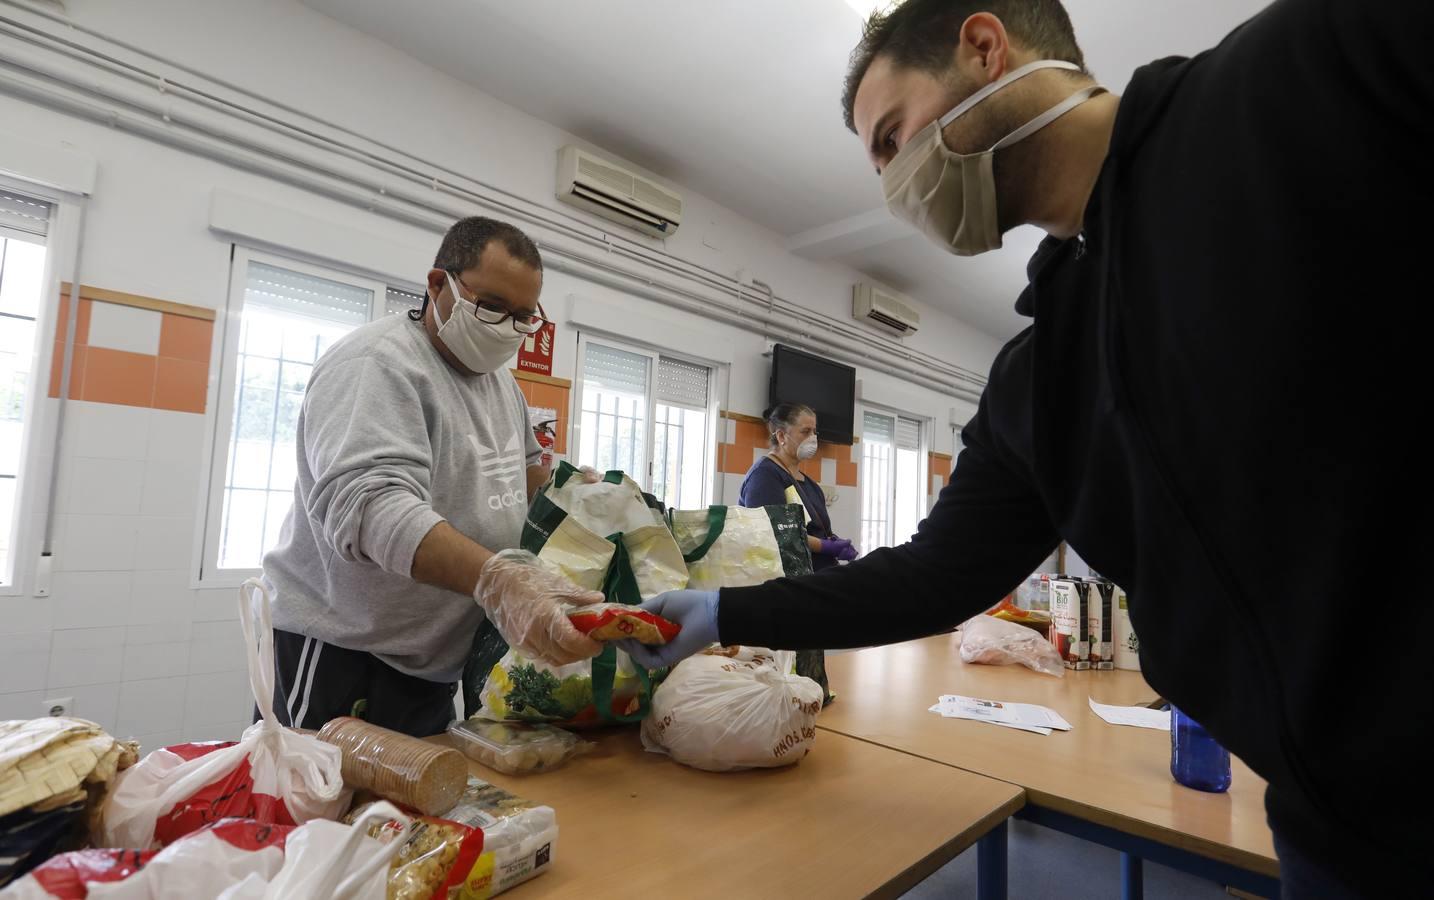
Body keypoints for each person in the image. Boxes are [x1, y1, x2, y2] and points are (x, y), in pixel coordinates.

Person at [619, 1, 1433, 896]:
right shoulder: (1038, 378)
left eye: (893, 138)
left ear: (982, 47)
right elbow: (934, 578)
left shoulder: (1292, 84)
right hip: (1337, 838)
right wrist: (729, 614)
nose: (893, 183)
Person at [261, 216, 602, 737]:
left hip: (433, 664)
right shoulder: (377, 364)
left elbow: (524, 470)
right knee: (322, 807)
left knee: (414, 814)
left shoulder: (499, 384)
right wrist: (497, 578)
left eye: (523, 318)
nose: (507, 328)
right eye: (491, 307)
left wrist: (575, 492)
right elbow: (371, 507)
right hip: (346, 653)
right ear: (438, 284)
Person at [738, 403, 856, 570]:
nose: (813, 438)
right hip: (787, 581)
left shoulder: (811, 485)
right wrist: (825, 547)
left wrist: (833, 541)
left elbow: (815, 529)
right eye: (805, 431)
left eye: (814, 432)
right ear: (781, 436)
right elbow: (775, 532)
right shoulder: (765, 475)